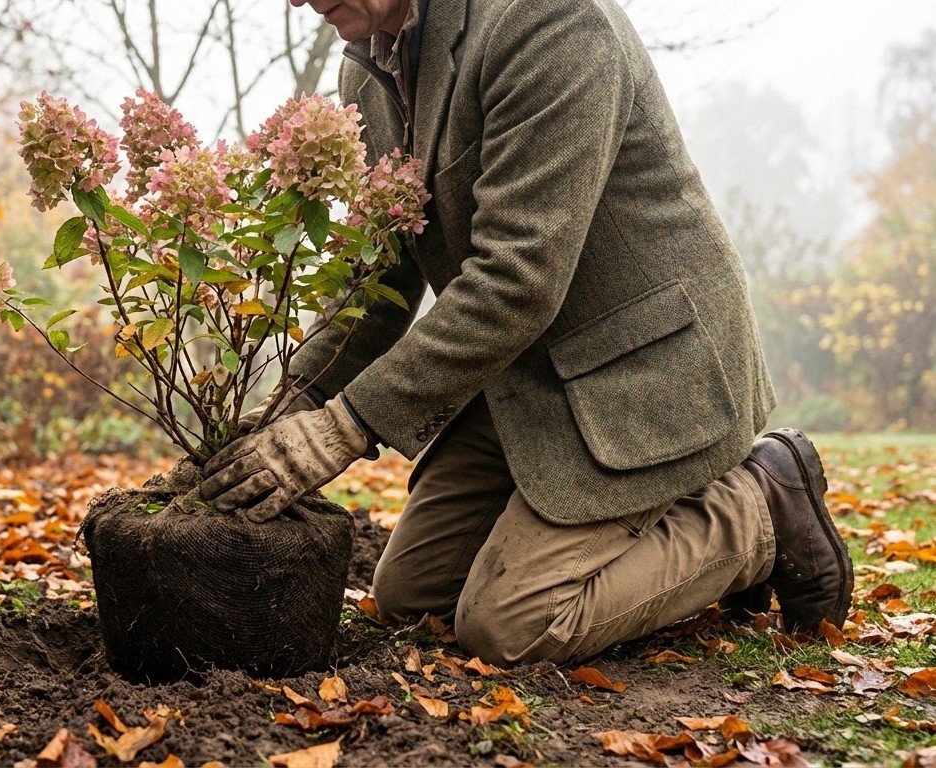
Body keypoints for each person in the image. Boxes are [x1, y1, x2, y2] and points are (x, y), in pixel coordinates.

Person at [198, 0, 854, 666]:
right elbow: (381, 274)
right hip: (528, 375)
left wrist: (344, 427)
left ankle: (760, 506)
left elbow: (518, 277)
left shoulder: (548, 21)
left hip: (646, 370)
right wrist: (296, 403)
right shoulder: (368, 71)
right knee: (413, 600)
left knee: (513, 626)